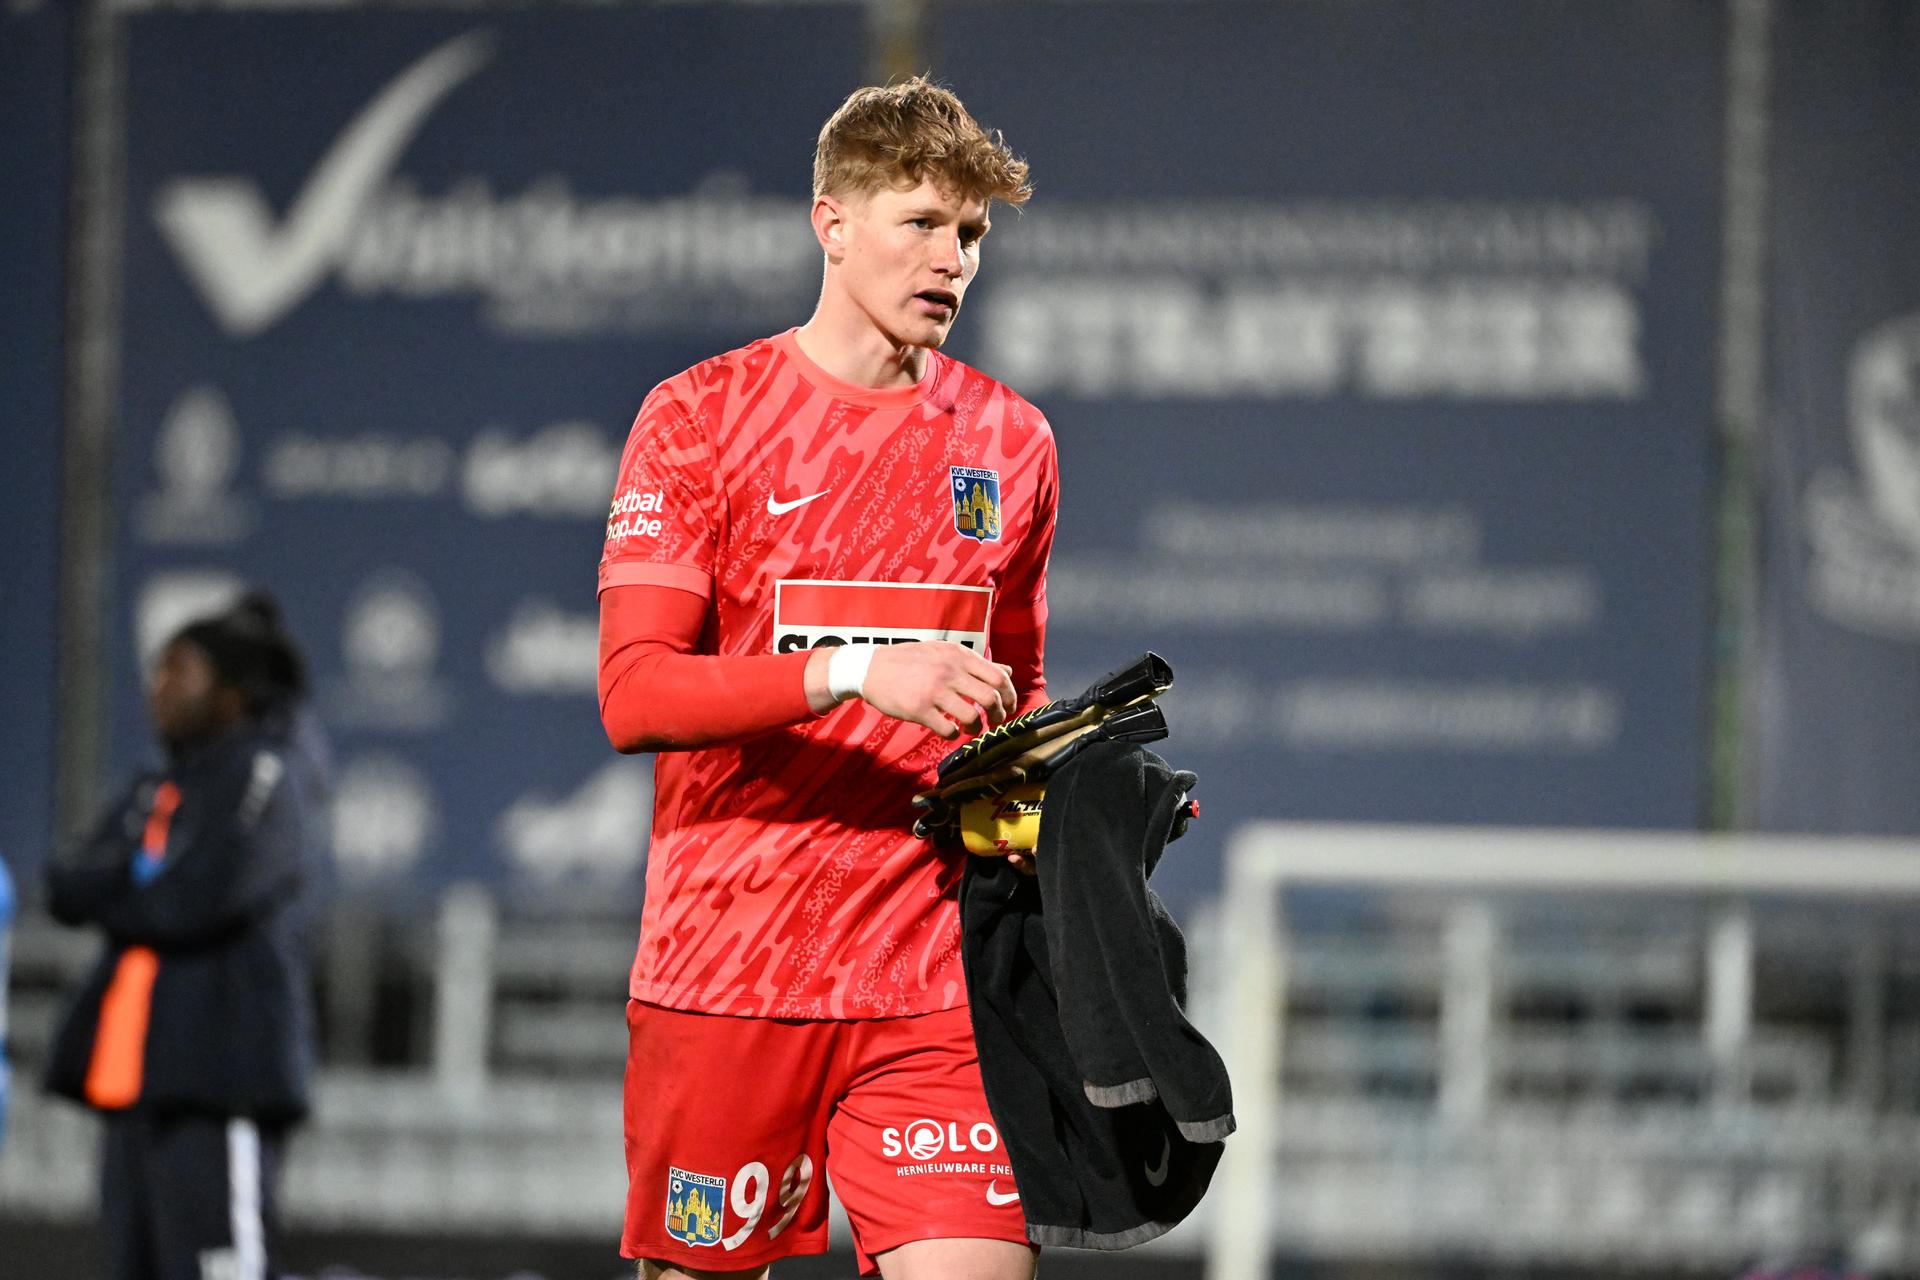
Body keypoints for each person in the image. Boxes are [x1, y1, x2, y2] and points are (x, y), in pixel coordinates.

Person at [597, 78, 1052, 1280]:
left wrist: (1079, 784)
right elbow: (636, 693)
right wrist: (854, 670)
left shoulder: (1012, 442)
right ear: (831, 223)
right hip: (729, 972)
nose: (951, 258)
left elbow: (1015, 690)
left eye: (971, 235)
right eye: (920, 223)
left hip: (927, 982)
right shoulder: (700, 417)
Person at [44, 591, 328, 1280]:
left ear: (230, 693)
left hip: (217, 1088)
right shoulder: (159, 785)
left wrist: (130, 889)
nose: (158, 687)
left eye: (179, 669)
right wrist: (142, 887)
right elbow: (68, 881)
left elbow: (208, 893)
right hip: (135, 1086)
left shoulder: (269, 770)